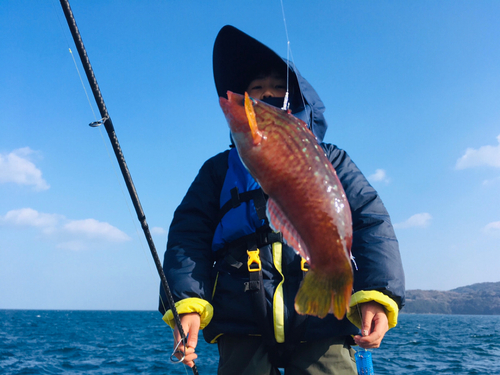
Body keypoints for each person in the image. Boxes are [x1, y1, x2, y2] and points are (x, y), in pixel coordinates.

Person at [159, 25, 405, 375]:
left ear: (298, 100)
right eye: (256, 90)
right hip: (241, 323)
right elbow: (188, 236)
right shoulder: (217, 170)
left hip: (324, 327)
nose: (267, 96)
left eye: (278, 89)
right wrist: (186, 302)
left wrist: (377, 293)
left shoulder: (333, 160)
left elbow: (372, 222)